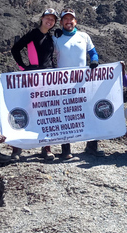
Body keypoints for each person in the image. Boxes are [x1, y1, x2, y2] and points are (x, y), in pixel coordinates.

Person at [53, 7, 104, 158]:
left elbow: (93, 52)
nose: (69, 22)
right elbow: (47, 54)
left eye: (71, 19)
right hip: (63, 84)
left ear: (76, 21)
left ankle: (92, 146)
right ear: (61, 22)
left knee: (90, 113)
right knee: (65, 115)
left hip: (83, 83)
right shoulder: (56, 37)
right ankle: (66, 150)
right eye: (65, 19)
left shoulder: (84, 36)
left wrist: (94, 61)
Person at [10, 8, 60, 161]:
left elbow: (50, 57)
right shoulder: (33, 34)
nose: (49, 21)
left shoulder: (51, 37)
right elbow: (15, 49)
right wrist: (23, 67)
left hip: (47, 79)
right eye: (47, 18)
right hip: (33, 78)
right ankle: (17, 149)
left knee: (47, 113)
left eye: (52, 19)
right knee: (27, 111)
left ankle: (46, 148)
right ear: (42, 18)